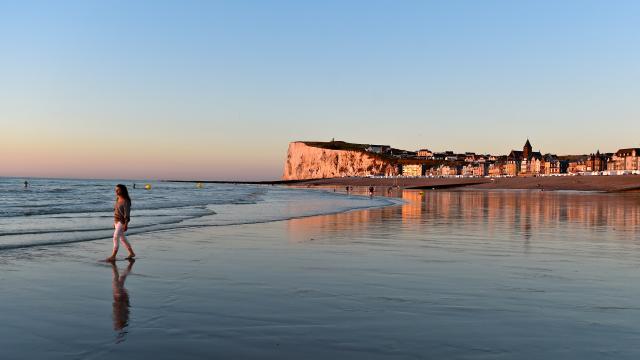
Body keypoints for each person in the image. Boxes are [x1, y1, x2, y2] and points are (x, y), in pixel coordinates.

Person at [107, 184, 135, 261]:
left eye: (118, 190)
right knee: (122, 239)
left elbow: (127, 214)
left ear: (122, 190)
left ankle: (113, 256)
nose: (116, 191)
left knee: (115, 237)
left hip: (122, 222)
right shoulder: (118, 199)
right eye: (116, 190)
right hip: (116, 221)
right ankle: (132, 253)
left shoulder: (126, 201)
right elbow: (116, 211)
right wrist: (114, 222)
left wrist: (126, 224)